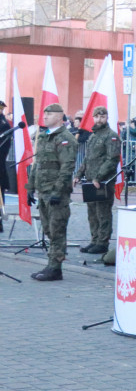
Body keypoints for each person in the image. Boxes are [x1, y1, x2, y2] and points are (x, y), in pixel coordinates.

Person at [27, 103, 78, 281]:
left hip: (57, 192)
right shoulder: (43, 137)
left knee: (57, 230)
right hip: (43, 191)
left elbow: (67, 167)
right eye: (45, 113)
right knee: (48, 229)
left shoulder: (65, 139)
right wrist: (30, 187)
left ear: (59, 116)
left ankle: (55, 268)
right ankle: (52, 264)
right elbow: (37, 164)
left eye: (49, 114)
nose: (45, 116)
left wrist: (58, 190)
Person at [74, 106, 121, 255]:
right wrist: (78, 174)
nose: (99, 119)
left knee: (103, 212)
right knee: (92, 212)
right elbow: (87, 158)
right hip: (90, 180)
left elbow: (111, 159)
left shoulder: (111, 136)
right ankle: (94, 240)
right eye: (97, 117)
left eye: (102, 116)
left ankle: (102, 242)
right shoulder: (93, 136)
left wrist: (99, 177)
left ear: (107, 118)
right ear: (93, 118)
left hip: (103, 181)